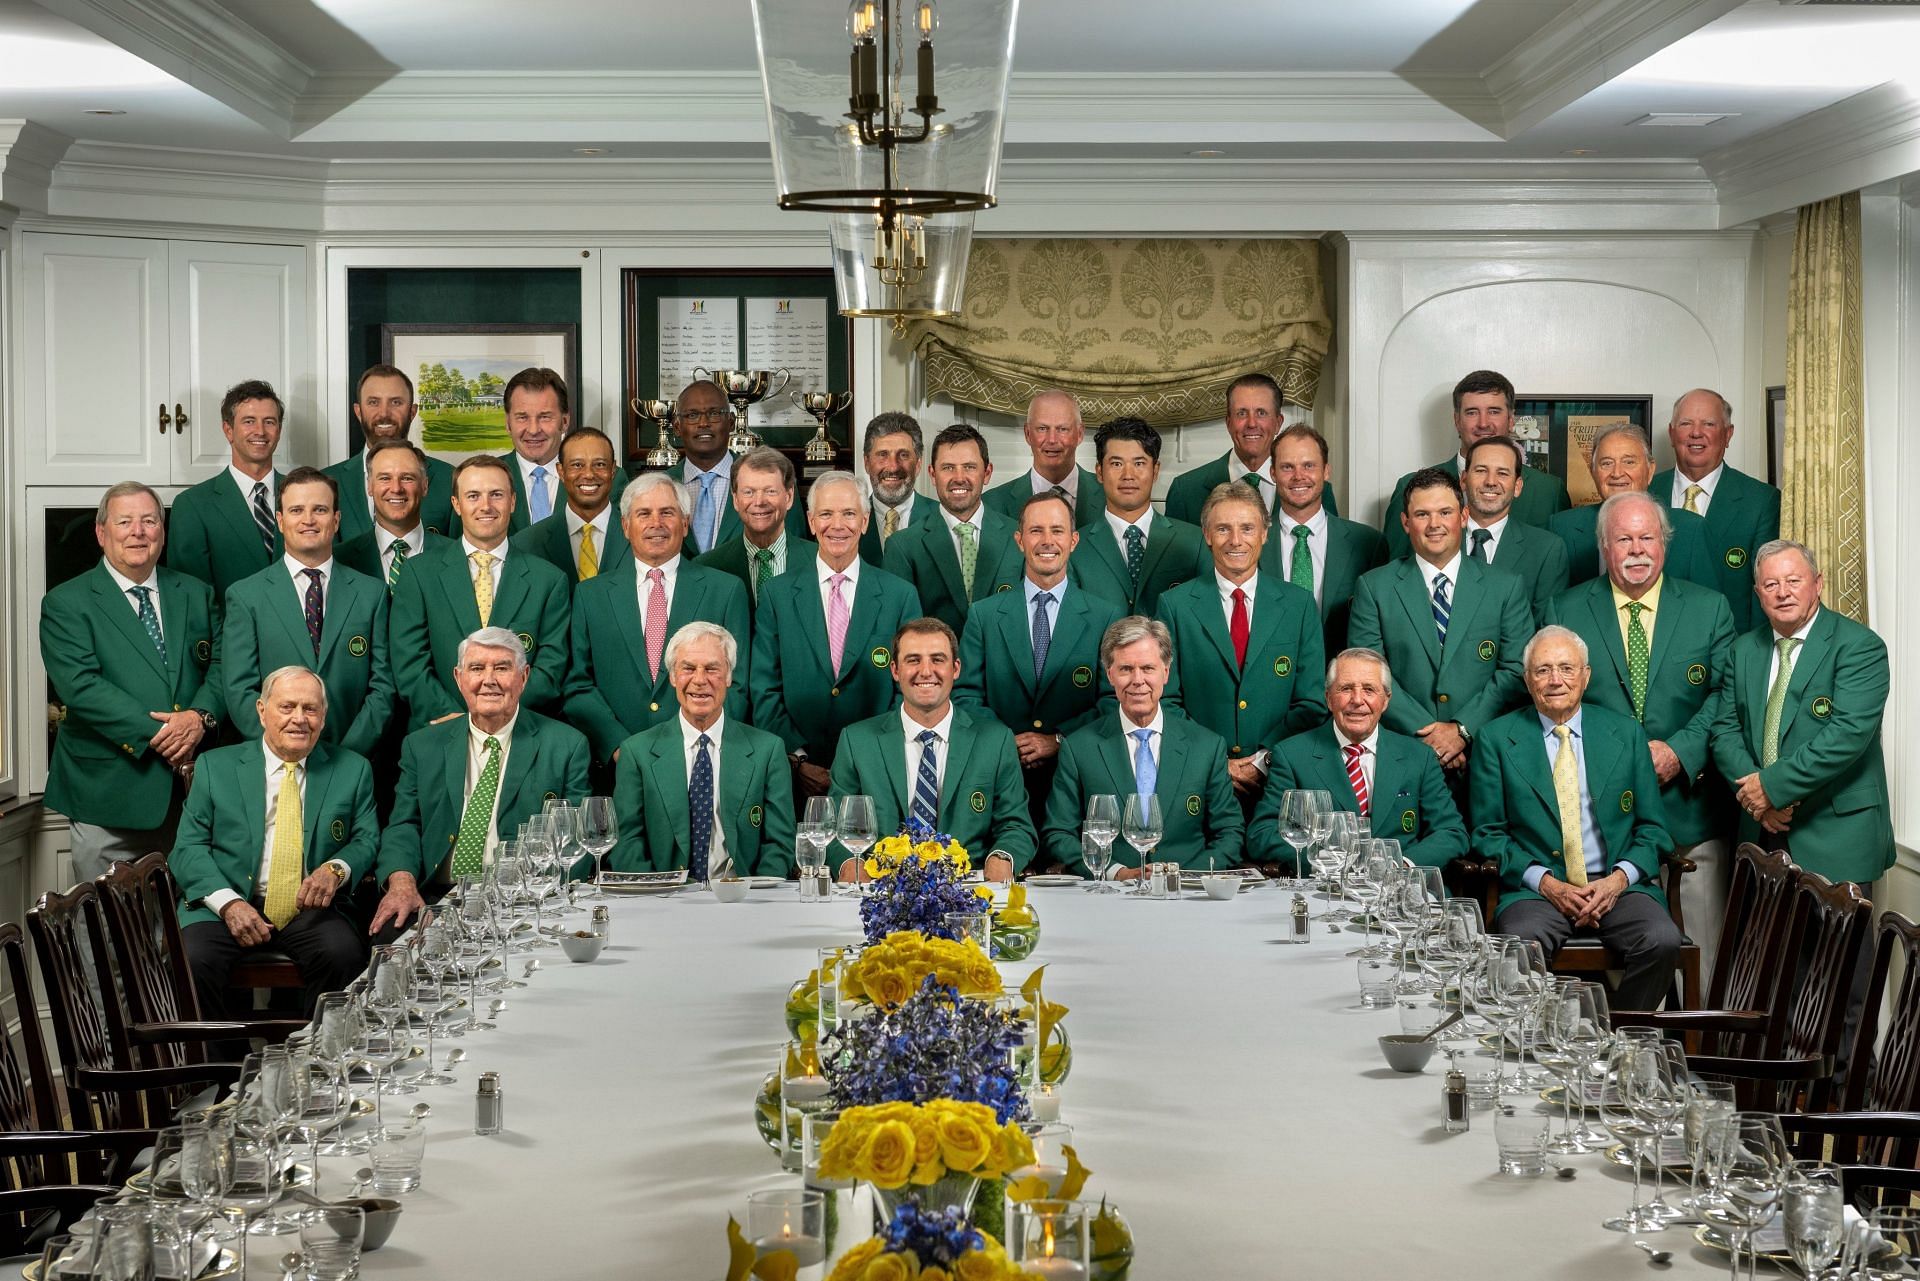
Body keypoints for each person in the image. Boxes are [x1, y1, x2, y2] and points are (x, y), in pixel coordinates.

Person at [1544, 492, 1735, 962]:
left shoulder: (1709, 609)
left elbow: (1726, 695)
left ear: (1664, 545)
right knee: (1616, 944)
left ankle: (1699, 1037)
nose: (1636, 549)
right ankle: (1614, 1032)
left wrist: (1678, 750)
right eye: (1623, 538)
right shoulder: (1563, 609)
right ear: (1604, 547)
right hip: (1594, 816)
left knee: (1699, 949)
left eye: (1647, 537)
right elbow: (1553, 702)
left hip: (1688, 807)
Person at [1473, 626, 1680, 1011]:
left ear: (1585, 676)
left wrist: (1617, 881)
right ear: (1527, 680)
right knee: (1519, 948)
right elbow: (1488, 834)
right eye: (1543, 670)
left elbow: (1653, 829)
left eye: (1567, 669)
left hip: (1618, 887)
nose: (1556, 680)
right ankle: (1541, 1049)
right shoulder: (1496, 739)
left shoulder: (1625, 732)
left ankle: (1620, 1040)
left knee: (1662, 940)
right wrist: (1549, 884)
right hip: (1537, 892)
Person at [173, 667, 373, 1022]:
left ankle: (315, 1065)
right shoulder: (215, 766)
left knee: (344, 955)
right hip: (226, 901)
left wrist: (335, 869)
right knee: (193, 960)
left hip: (308, 907)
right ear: (262, 711)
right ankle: (222, 1073)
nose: (299, 719)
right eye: (287, 707)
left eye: (310, 709)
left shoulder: (352, 769)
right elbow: (187, 848)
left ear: (324, 717)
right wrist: (229, 904)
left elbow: (367, 838)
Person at [43, 482, 220, 882]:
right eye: (125, 521)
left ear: (162, 530)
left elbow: (223, 666)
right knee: (107, 933)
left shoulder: (196, 593)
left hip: (191, 798)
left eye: (149, 521)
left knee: (182, 931)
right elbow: (81, 688)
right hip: (108, 795)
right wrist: (168, 733)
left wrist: (198, 718)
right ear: (102, 533)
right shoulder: (66, 603)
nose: (138, 531)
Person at [369, 628, 591, 934]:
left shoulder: (566, 745)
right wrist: (402, 882)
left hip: (523, 898)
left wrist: (533, 894)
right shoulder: (421, 746)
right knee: (389, 937)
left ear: (523, 677)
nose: (489, 680)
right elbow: (404, 825)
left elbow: (576, 842)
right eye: (476, 669)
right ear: (459, 679)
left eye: (501, 668)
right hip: (438, 896)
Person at [1710, 540, 1893, 888]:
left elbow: (1847, 735)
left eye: (1794, 581)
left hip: (1836, 836)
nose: (1782, 593)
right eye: (1771, 584)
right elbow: (1724, 732)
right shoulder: (1743, 650)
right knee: (1766, 943)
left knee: (1841, 945)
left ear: (1818, 584)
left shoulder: (1860, 647)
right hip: (1762, 829)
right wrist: (1759, 799)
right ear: (1757, 592)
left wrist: (1770, 787)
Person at [1347, 468, 1530, 788]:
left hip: (1486, 757)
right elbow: (1369, 675)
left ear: (1463, 516)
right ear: (1405, 522)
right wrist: (1430, 734)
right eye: (1422, 514)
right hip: (1404, 753)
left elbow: (1516, 670)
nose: (1434, 524)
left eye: (1445, 512)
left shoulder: (1505, 587)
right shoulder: (1374, 587)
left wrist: (1461, 730)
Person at [955, 491, 1123, 831]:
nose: (1047, 541)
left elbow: (1112, 701)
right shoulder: (984, 615)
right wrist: (1007, 743)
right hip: (1001, 781)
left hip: (1077, 784)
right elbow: (965, 697)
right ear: (1019, 540)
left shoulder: (1106, 616)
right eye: (1036, 531)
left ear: (1073, 540)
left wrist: (1057, 741)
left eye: (1057, 531)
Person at [751, 471, 922, 797]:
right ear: (812, 522)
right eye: (826, 514)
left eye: (848, 513)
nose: (837, 525)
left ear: (865, 521)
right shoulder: (778, 595)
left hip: (880, 771)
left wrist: (874, 754)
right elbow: (764, 688)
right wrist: (798, 760)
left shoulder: (900, 596)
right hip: (797, 777)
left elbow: (909, 688)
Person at [565, 471, 751, 767]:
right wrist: (619, 748)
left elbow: (738, 683)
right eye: (643, 514)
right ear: (625, 526)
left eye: (667, 513)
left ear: (685, 524)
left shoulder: (725, 590)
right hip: (619, 766)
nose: (656, 524)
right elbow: (578, 685)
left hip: (702, 760)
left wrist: (697, 742)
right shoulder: (591, 596)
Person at [828, 618, 1035, 882]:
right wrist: (849, 864)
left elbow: (1016, 825)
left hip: (968, 892)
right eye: (913, 660)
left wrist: (1002, 857)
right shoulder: (856, 741)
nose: (926, 671)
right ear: (894, 670)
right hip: (880, 892)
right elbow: (834, 830)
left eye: (937, 659)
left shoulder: (995, 740)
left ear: (956, 668)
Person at [1157, 483, 1326, 803]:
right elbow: (1166, 701)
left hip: (1280, 784)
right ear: (1206, 535)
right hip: (1199, 782)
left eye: (1247, 528)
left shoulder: (1298, 605)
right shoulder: (1175, 606)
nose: (1236, 540)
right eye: (1223, 529)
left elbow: (1312, 702)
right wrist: (1215, 762)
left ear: (1264, 533)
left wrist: (1264, 761)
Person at [1041, 617, 1243, 876]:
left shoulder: (1207, 746)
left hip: (1189, 895)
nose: (1138, 680)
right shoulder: (1079, 747)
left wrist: (1183, 877)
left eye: (1148, 668)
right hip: (1111, 896)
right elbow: (1058, 833)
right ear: (1110, 674)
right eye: (1126, 669)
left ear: (1166, 672)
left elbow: (1230, 833)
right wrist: (1116, 872)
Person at [219, 467, 394, 759]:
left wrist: (346, 757)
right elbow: (239, 692)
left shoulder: (371, 594)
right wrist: (286, 748)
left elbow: (383, 688)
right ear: (280, 520)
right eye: (297, 510)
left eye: (320, 510)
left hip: (354, 759)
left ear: (336, 520)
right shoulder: (246, 596)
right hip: (276, 763)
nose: (309, 520)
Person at [388, 454, 571, 728]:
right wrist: (462, 721)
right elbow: (409, 665)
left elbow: (551, 667)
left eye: (496, 495)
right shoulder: (418, 574)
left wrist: (501, 715)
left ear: (512, 502)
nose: (486, 506)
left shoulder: (549, 580)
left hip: (521, 730)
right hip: (441, 728)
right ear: (456, 504)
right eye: (473, 496)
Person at [1249, 648, 1466, 870]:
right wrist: (1324, 860)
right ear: (1328, 699)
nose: (1357, 700)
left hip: (1400, 889)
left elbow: (1451, 832)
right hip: (1325, 892)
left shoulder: (1419, 757)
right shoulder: (1291, 755)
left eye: (1369, 690)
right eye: (1345, 689)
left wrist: (1401, 866)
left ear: (1386, 700)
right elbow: (1262, 834)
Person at [607, 622, 796, 879]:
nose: (699, 680)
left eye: (711, 669)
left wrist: (751, 898)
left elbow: (780, 844)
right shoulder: (636, 752)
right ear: (673, 676)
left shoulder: (768, 750)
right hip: (663, 903)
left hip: (743, 903)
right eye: (687, 668)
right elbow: (626, 842)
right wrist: (662, 896)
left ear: (729, 676)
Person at [1381, 370, 1568, 559]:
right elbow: (1393, 573)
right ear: (1456, 420)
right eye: (1472, 412)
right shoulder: (1411, 487)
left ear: (1511, 420)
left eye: (1494, 411)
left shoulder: (1549, 491)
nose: (1483, 423)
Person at [1652, 389, 1782, 633]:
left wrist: (1747, 659)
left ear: (1728, 434)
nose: (1696, 433)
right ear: (1671, 433)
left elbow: (1764, 590)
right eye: (1685, 423)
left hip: (1726, 645)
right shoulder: (1644, 494)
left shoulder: (1760, 501)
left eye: (1709, 424)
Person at [882, 424, 1022, 633]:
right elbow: (899, 630)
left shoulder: (1019, 537)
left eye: (969, 467)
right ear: (932, 474)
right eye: (948, 467)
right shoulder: (903, 546)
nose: (959, 477)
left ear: (987, 473)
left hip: (1003, 664)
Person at [1070, 417, 1208, 616]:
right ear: (1099, 472)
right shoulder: (1074, 548)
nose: (1128, 475)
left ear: (1155, 471)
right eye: (1116, 464)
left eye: (1139, 463)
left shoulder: (1195, 543)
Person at [1268, 423, 1385, 654]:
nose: (1299, 476)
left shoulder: (1369, 544)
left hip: (1342, 680)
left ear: (1326, 471)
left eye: (1309, 465)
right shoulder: (1250, 542)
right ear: (1273, 473)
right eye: (1287, 467)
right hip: (1271, 679)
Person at [164, 379, 285, 601]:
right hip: (232, 634)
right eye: (249, 421)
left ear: (279, 430)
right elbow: (192, 597)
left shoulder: (304, 494)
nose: (260, 431)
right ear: (228, 430)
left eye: (269, 422)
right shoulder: (192, 506)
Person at [1550, 424, 1714, 587]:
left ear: (1650, 471)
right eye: (1606, 463)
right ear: (1593, 471)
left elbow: (1707, 605)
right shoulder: (1561, 528)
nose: (1617, 473)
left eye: (1629, 462)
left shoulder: (1691, 529)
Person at [1166, 373, 1340, 525]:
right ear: (1228, 423)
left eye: (1261, 413)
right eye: (1241, 413)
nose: (1251, 423)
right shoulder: (1185, 491)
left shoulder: (1316, 490)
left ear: (1278, 423)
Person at [323, 364, 456, 544]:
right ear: (358, 411)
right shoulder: (327, 482)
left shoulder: (450, 478)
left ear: (412, 411)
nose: (384, 413)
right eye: (373, 402)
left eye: (396, 402)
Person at [1461, 435, 1569, 623]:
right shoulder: (1435, 536)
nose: (1491, 481)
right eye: (1480, 471)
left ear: (1517, 486)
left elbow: (1545, 631)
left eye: (1502, 473)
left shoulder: (1546, 550)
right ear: (1463, 479)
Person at [694, 446, 814, 610]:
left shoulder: (819, 561)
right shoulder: (708, 567)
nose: (759, 502)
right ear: (736, 500)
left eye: (770, 491)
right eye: (749, 492)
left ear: (789, 496)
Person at [663, 380, 770, 559]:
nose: (703, 423)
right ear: (677, 427)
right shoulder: (661, 486)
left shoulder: (768, 482)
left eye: (714, 413)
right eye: (692, 415)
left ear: (731, 423)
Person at [511, 427, 629, 586]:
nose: (588, 474)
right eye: (577, 465)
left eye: (600, 464)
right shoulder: (526, 543)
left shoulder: (640, 535)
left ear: (613, 470)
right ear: (560, 471)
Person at [334, 440, 457, 589]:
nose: (396, 488)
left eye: (407, 478)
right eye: (385, 478)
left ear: (424, 486)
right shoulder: (340, 560)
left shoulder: (457, 556)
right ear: (369, 486)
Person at [980, 389, 1107, 530]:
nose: (1052, 439)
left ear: (1080, 434)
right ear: (1028, 434)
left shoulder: (1109, 496)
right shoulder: (992, 505)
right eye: (1042, 428)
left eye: (1063, 429)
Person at [496, 367, 572, 534]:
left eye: (545, 417)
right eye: (522, 417)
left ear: (565, 421)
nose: (533, 430)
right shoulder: (483, 479)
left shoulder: (604, 479)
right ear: (508, 424)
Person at [857, 412, 927, 565]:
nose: (893, 467)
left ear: (918, 464)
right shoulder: (846, 525)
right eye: (882, 455)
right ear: (867, 463)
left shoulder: (941, 518)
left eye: (903, 455)